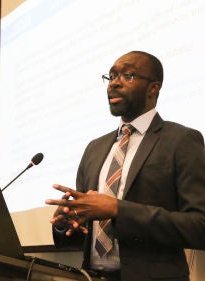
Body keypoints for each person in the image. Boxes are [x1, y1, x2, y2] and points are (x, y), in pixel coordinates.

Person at [45, 50, 205, 281]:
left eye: (127, 75)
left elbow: (199, 226)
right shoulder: (94, 148)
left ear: (153, 88)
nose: (114, 84)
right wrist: (66, 223)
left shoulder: (181, 140)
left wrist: (118, 210)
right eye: (111, 77)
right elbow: (84, 238)